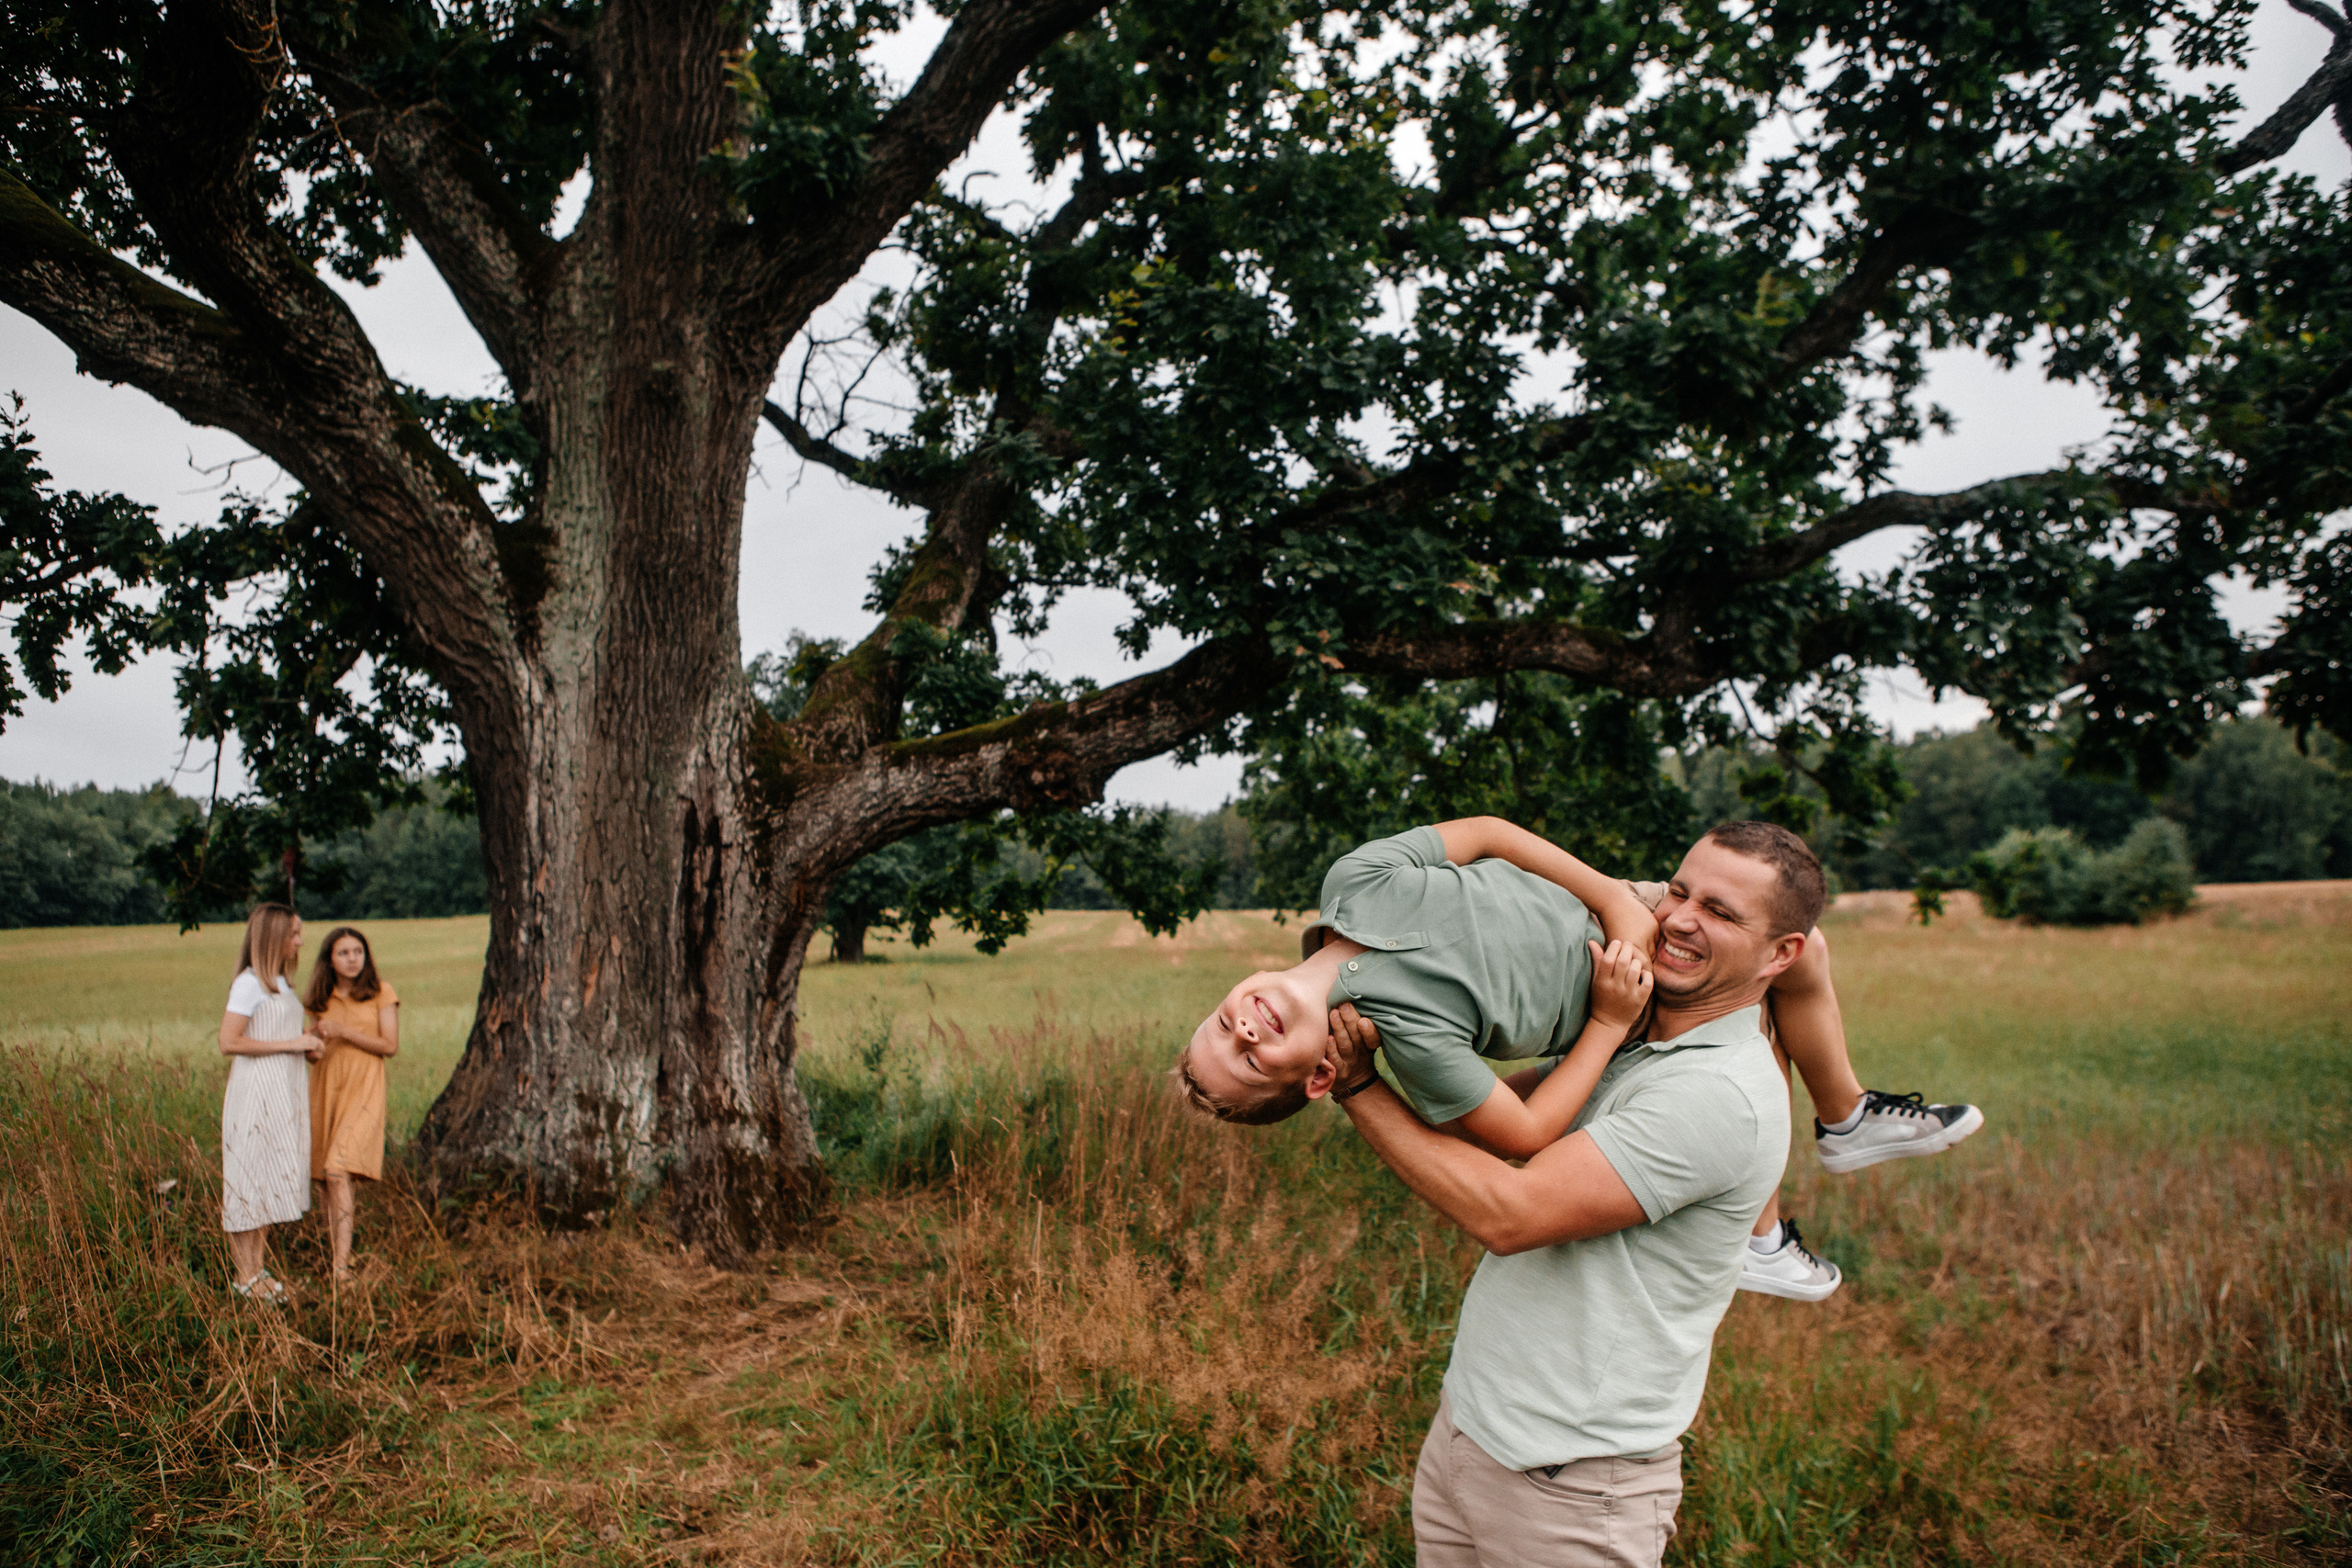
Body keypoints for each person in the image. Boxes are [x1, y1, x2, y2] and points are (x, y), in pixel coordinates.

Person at [1178, 818, 1981, 1301]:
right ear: (1319, 1076)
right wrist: (1608, 1018)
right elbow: (1526, 1133)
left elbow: (1489, 834)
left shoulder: (1354, 881)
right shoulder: (1412, 1038)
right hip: (1625, 982)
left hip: (1613, 904)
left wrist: (1611, 897)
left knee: (1797, 944)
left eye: (1221, 1027)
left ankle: (1839, 1123)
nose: (1245, 1031)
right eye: (1251, 1060)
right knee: (1767, 982)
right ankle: (1780, 1212)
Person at [1322, 820, 1823, 1566]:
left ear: (1781, 954)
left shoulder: (1718, 1093)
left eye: (1720, 912)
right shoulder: (1634, 1034)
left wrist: (1359, 1087)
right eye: (1679, 891)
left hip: (1573, 1487)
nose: (1680, 919)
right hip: (1472, 1431)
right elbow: (1489, 1128)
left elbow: (1510, 1212)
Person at [218, 903, 322, 1303]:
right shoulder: (249, 984)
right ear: (274, 937)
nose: (300, 941)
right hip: (256, 1092)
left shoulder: (280, 983)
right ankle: (245, 1279)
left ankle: (257, 1272)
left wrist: (308, 1044)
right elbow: (229, 1041)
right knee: (248, 1179)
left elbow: (280, 1035)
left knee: (266, 1181)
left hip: (283, 1091)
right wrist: (292, 1043)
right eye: (294, 934)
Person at [303, 925, 399, 1282]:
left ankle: (342, 1268)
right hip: (326, 1089)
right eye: (343, 953)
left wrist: (343, 1031)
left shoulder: (381, 993)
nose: (352, 959)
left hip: (364, 1090)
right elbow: (316, 1052)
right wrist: (311, 1045)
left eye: (358, 951)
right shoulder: (319, 999)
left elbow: (389, 1045)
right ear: (329, 959)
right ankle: (334, 1256)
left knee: (337, 1170)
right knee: (323, 1179)